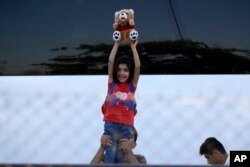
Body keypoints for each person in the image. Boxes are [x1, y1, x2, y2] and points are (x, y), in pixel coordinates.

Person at [101, 41, 140, 163]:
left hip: (126, 125)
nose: (122, 73)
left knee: (120, 155)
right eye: (119, 69)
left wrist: (133, 47)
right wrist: (116, 44)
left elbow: (138, 66)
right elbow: (111, 61)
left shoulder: (131, 86)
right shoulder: (112, 83)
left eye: (126, 70)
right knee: (110, 154)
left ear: (130, 72)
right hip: (111, 123)